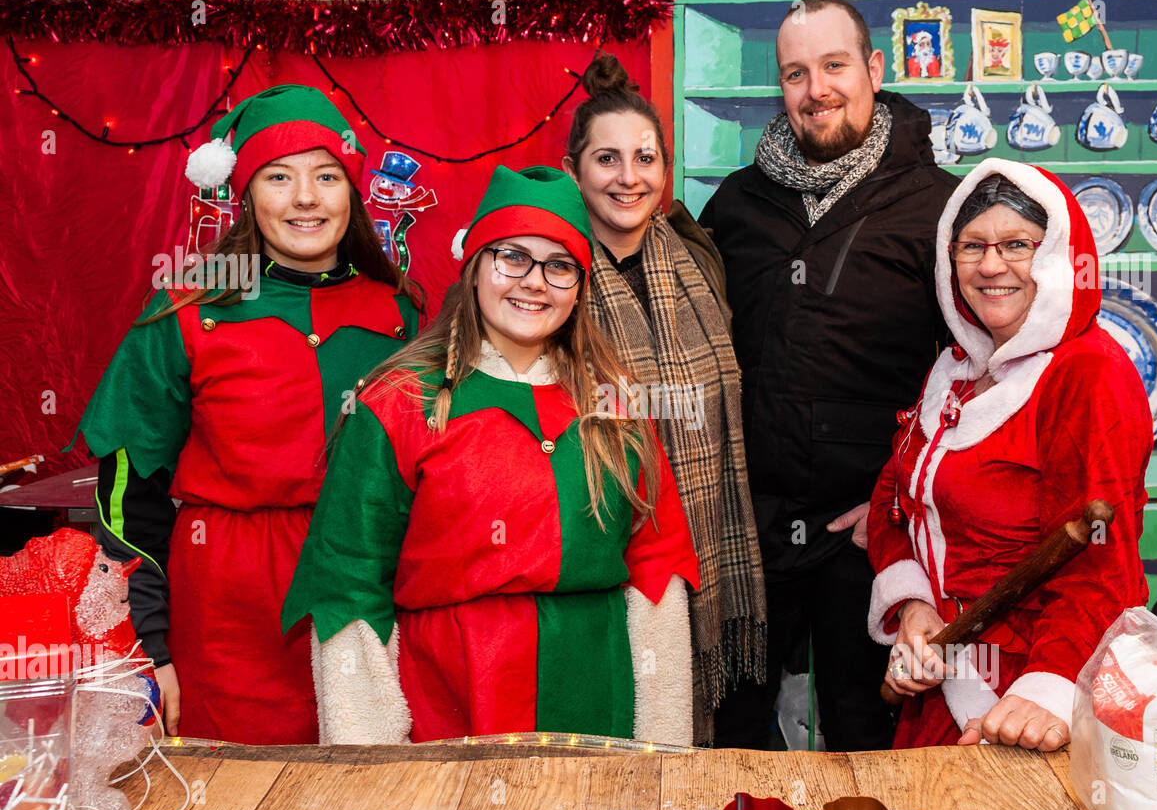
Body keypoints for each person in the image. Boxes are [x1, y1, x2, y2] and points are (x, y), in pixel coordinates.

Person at [280, 165, 700, 746]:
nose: (534, 282)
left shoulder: (618, 402)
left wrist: (661, 749)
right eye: (512, 257)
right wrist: (368, 769)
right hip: (450, 707)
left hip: (597, 707)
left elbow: (656, 575)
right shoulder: (397, 402)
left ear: (580, 287)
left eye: (559, 266)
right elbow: (350, 590)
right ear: (475, 266)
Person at [70, 84, 423, 744]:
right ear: (246, 195)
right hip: (230, 611)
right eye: (278, 177)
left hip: (368, 598)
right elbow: (129, 495)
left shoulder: (399, 314)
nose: (306, 198)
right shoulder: (184, 310)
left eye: (326, 175)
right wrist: (152, 645)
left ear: (351, 190)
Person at [698, 0, 957, 751]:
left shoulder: (938, 206)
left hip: (873, 538)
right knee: (737, 737)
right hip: (753, 533)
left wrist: (892, 499)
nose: (817, 90)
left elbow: (970, 376)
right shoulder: (738, 205)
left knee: (866, 738)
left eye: (834, 66)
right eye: (795, 74)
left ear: (874, 68)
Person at [867, 158, 1152, 750]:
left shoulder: (1089, 374)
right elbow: (895, 497)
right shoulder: (956, 372)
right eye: (972, 246)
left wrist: (1042, 693)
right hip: (944, 689)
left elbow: (1103, 566)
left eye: (1017, 244)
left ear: (1055, 259)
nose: (991, 265)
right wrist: (916, 607)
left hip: (1029, 699)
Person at [561, 54, 766, 746]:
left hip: (709, 534)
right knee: (619, 726)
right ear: (574, 171)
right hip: (604, 541)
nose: (629, 177)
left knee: (699, 732)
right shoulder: (551, 271)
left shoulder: (696, 258)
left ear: (665, 172)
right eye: (607, 159)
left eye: (645, 158)